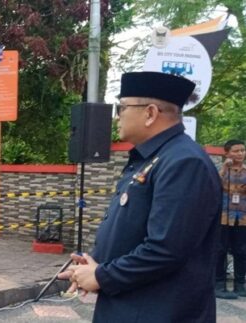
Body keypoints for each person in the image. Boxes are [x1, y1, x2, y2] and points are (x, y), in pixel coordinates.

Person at [57, 71, 221, 322]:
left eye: (122, 108)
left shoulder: (184, 162)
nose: (116, 117)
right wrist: (93, 265)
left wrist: (102, 276)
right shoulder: (151, 159)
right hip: (129, 304)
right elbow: (133, 230)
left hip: (159, 311)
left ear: (150, 113)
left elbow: (165, 249)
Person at [215, 139, 246, 299]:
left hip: (242, 218)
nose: (240, 153)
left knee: (241, 251)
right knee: (220, 250)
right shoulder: (221, 171)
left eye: (242, 150)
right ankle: (219, 284)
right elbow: (213, 185)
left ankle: (240, 284)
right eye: (236, 151)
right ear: (226, 153)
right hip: (223, 217)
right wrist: (225, 167)